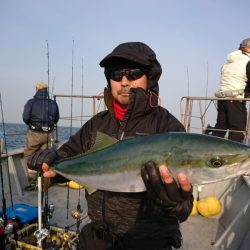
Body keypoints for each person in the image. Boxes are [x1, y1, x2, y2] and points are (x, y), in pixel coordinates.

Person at [27, 42, 193, 250]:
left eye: (133, 73)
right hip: (96, 239)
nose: (124, 81)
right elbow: (68, 154)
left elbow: (184, 209)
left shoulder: (168, 128)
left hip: (148, 244)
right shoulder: (97, 124)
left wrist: (177, 202)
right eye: (116, 74)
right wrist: (50, 160)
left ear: (149, 78)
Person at [208, 38, 250, 142]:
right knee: (237, 130)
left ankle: (212, 153)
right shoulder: (247, 61)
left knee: (220, 129)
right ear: (248, 48)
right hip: (235, 99)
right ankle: (235, 157)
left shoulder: (229, 62)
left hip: (222, 99)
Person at [23, 81, 59, 186]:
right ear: (46, 90)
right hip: (48, 134)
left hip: (34, 133)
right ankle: (44, 180)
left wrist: (32, 124)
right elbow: (56, 119)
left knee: (30, 154)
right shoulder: (53, 103)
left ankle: (32, 180)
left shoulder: (30, 102)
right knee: (46, 156)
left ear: (36, 89)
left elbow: (25, 118)